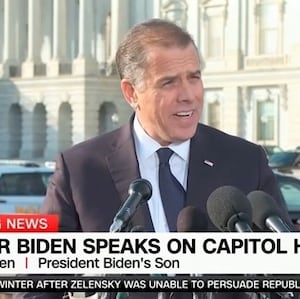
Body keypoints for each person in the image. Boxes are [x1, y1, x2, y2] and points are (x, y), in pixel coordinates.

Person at [14, 18, 296, 299]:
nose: (188, 95)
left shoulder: (245, 161)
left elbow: (287, 280)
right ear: (131, 93)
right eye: (169, 82)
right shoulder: (80, 169)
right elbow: (40, 287)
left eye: (194, 77)